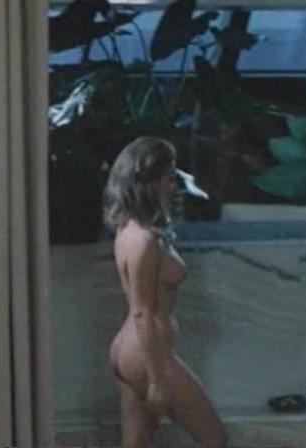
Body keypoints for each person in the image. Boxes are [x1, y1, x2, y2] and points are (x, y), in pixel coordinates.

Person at [103, 136, 227, 448]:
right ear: (148, 182)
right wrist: (157, 380)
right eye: (169, 179)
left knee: (137, 442)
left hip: (130, 350)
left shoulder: (131, 229)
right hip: (146, 352)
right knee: (214, 438)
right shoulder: (142, 240)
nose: (174, 187)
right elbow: (142, 312)